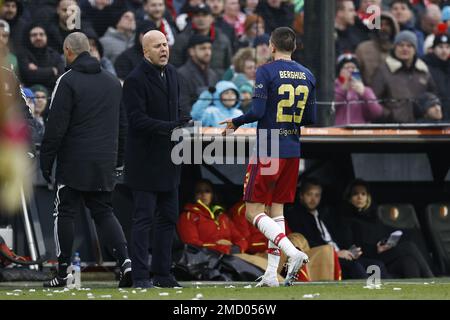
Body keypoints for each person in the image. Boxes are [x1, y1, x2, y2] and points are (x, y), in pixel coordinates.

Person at [220, 27, 316, 287]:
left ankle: (293, 253)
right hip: (292, 149)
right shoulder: (307, 74)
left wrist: (236, 121)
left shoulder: (266, 71)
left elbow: (258, 110)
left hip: (268, 148)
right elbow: (311, 118)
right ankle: (272, 274)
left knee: (252, 212)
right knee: (277, 210)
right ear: (294, 47)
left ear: (272, 46)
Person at [39, 32, 132, 288]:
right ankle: (126, 263)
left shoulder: (67, 81)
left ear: (68, 51)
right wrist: (118, 160)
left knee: (65, 211)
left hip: (73, 160)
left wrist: (45, 162)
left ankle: (62, 273)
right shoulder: (114, 83)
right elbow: (123, 126)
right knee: (104, 211)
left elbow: (55, 126)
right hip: (104, 160)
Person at [122, 30, 190, 289]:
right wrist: (170, 126)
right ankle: (140, 275)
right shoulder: (135, 80)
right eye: (157, 46)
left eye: (165, 44)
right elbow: (137, 121)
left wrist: (181, 120)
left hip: (170, 159)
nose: (164, 49)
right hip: (144, 162)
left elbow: (175, 109)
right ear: (145, 52)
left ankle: (163, 273)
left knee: (168, 218)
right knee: (143, 220)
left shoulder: (172, 73)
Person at [285, 178, 390, 279]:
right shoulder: (296, 216)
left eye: (317, 195)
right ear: (301, 196)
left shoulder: (325, 215)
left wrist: (350, 251)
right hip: (324, 257)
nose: (313, 199)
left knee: (377, 265)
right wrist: (336, 253)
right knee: (356, 267)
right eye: (309, 194)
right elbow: (305, 242)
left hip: (342, 254)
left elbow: (343, 239)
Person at [340, 179, 434, 279]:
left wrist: (385, 243)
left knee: (408, 260)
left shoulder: (372, 216)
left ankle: (416, 291)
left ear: (368, 197)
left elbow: (380, 233)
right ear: (349, 197)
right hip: (367, 258)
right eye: (355, 194)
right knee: (408, 246)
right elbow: (351, 246)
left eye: (363, 194)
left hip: (382, 255)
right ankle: (430, 278)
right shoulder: (346, 219)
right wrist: (375, 249)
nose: (360, 197)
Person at [371, 30, 436, 123]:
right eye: (401, 45)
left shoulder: (423, 71)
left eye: (409, 46)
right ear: (395, 48)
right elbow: (373, 100)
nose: (405, 49)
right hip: (392, 128)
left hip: (421, 127)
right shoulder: (383, 70)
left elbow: (432, 96)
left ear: (415, 49)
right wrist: (390, 115)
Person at [177, 179, 248, 255]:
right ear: (193, 195)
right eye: (198, 191)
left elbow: (241, 239)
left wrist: (236, 248)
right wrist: (223, 248)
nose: (203, 194)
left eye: (207, 191)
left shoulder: (222, 216)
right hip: (208, 260)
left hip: (232, 256)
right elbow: (192, 245)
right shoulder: (188, 216)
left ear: (213, 195)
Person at [334, 53, 383, 125]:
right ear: (339, 71)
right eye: (346, 67)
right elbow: (328, 109)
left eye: (353, 68)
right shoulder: (332, 88)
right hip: (336, 132)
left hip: (359, 132)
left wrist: (364, 93)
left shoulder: (366, 90)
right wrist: (343, 89)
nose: (350, 70)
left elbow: (376, 113)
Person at [17, 23, 65, 93]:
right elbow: (27, 77)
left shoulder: (54, 55)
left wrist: (37, 71)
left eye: (41, 34)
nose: (38, 37)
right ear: (28, 37)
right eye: (34, 35)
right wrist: (51, 70)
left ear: (46, 37)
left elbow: (61, 79)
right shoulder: (22, 55)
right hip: (29, 97)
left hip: (52, 95)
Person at [355, 11, 400, 86]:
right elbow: (355, 73)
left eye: (387, 25)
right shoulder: (363, 49)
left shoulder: (400, 49)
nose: (383, 28)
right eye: (380, 24)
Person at [177, 34, 219, 111]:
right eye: (203, 48)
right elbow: (183, 107)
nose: (208, 52)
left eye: (209, 48)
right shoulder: (182, 74)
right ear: (191, 51)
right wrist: (198, 123)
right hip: (194, 121)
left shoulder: (213, 74)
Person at [423, 31, 450, 120]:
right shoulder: (426, 67)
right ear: (433, 49)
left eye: (447, 47)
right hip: (434, 118)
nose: (444, 50)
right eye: (440, 47)